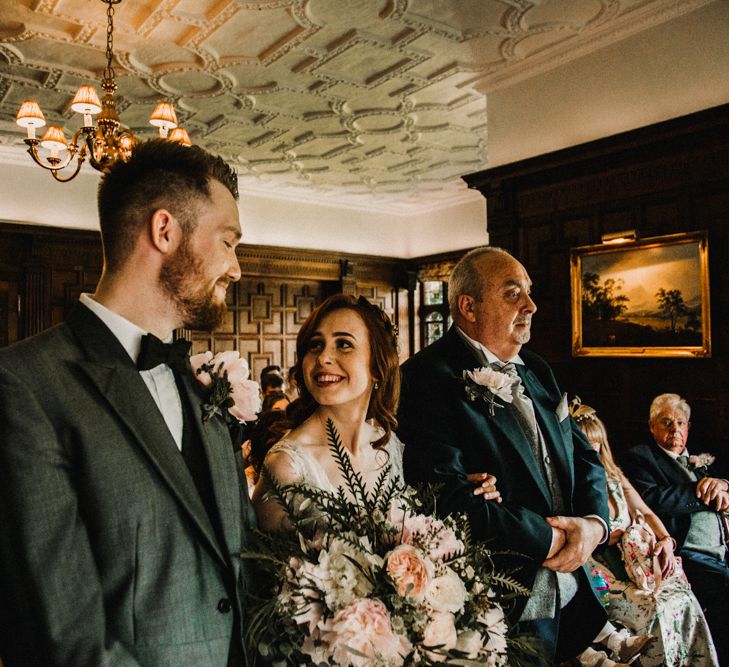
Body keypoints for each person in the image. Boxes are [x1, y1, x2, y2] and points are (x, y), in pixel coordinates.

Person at [0, 140, 256, 666]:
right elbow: (62, 631)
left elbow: (242, 557)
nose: (235, 268)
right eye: (228, 242)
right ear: (165, 231)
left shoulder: (203, 382)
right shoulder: (24, 383)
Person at [397, 246, 638, 665]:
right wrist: (552, 538)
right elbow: (446, 497)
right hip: (502, 598)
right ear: (468, 307)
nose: (531, 305)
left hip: (573, 587)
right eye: (513, 294)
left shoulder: (537, 370)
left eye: (528, 292)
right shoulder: (425, 379)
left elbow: (585, 457)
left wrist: (594, 526)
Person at [252, 294, 499, 532]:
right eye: (315, 345)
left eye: (344, 344)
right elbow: (265, 569)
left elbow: (413, 518)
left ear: (377, 367)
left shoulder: (388, 444)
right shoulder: (286, 466)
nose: (323, 358)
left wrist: (466, 490)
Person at [572, 399, 717, 667]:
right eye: (585, 445)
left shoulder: (615, 476)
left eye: (597, 444)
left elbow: (646, 511)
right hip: (603, 567)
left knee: (683, 597)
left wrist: (665, 541)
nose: (592, 450)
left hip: (636, 560)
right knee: (653, 606)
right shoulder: (573, 484)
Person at [621, 393, 729, 665]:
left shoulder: (707, 458)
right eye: (666, 422)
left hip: (722, 550)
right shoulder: (641, 457)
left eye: (680, 423)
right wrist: (698, 491)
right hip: (688, 554)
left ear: (689, 427)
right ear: (652, 426)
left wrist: (723, 485)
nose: (675, 429)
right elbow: (653, 501)